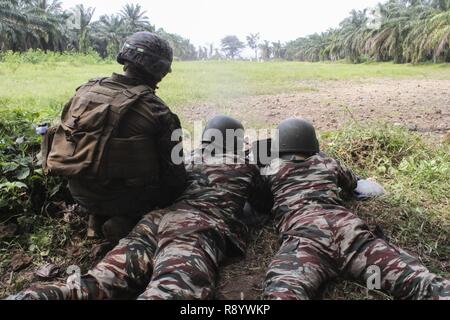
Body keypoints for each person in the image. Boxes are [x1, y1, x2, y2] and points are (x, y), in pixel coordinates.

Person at [10, 115, 272, 300]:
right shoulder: (243, 165)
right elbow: (263, 203)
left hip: (155, 221)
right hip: (194, 229)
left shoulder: (187, 158)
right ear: (237, 142)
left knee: (100, 280)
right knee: (175, 290)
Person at [262, 117, 450, 300]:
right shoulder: (327, 162)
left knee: (282, 293)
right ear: (313, 143)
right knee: (419, 281)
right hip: (350, 233)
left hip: (305, 238)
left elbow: (257, 202)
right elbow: (353, 183)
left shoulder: (270, 169)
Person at [41, 32, 187, 241]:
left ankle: (96, 217)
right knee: (177, 188)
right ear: (160, 70)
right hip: (126, 199)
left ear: (125, 58)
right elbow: (175, 177)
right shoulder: (157, 109)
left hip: (79, 191)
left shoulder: (84, 91)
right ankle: (127, 222)